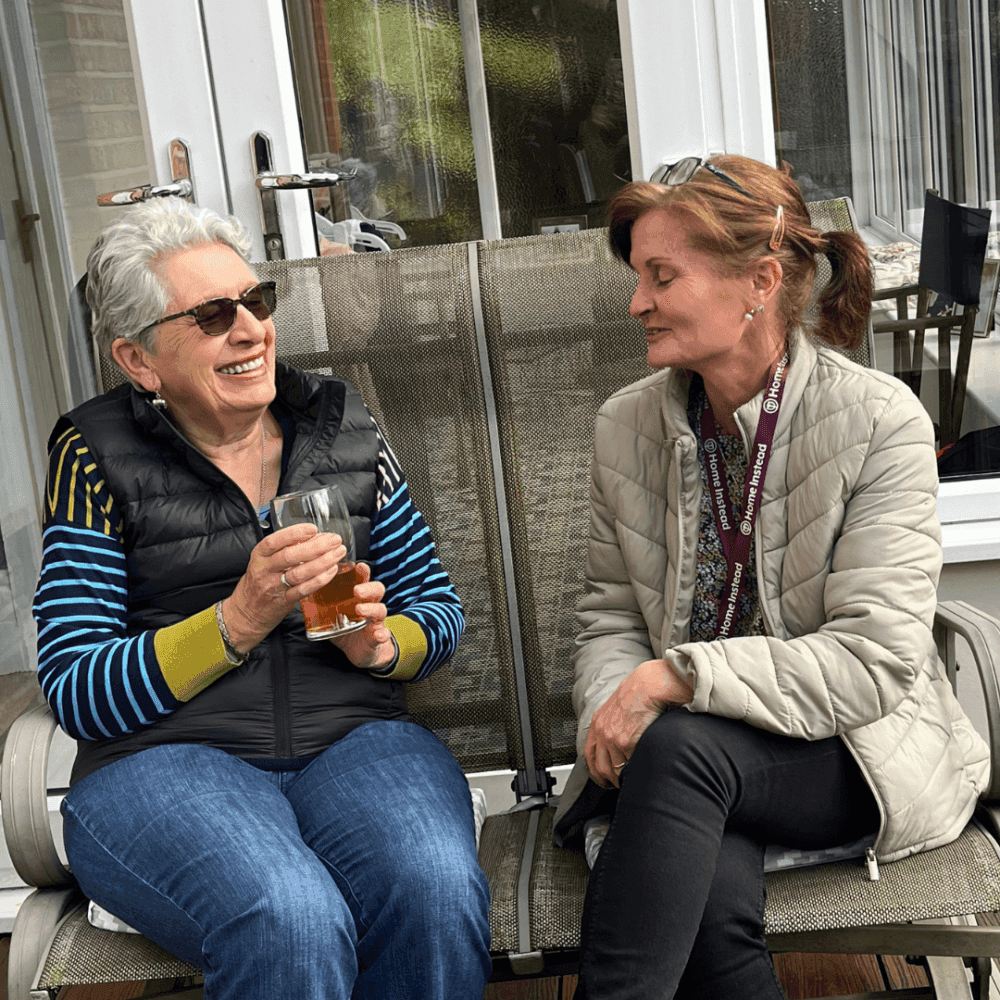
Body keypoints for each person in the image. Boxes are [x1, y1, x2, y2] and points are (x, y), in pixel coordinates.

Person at [551, 155, 990, 999]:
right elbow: (609, 614)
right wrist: (620, 703)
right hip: (693, 757)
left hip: (852, 748)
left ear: (758, 281)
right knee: (709, 908)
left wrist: (668, 682)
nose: (637, 301)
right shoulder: (627, 425)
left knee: (677, 750)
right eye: (638, 276)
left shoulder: (877, 421)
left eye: (661, 275)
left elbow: (871, 661)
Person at [33, 197, 491, 1000]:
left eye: (256, 302)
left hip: (355, 743)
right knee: (287, 915)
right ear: (139, 362)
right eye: (213, 316)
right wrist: (235, 621)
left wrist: (378, 646)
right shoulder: (94, 451)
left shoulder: (342, 426)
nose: (250, 330)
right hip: (164, 764)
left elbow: (437, 612)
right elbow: (76, 684)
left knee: (433, 888)